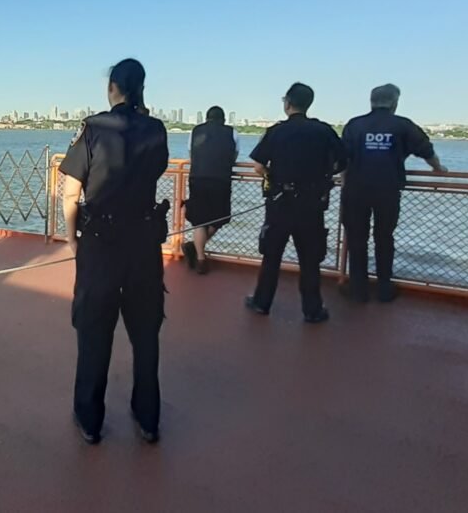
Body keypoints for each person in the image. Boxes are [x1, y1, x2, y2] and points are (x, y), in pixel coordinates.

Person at [59, 58, 170, 445]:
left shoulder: (92, 128)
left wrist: (73, 239)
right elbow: (154, 173)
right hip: (142, 246)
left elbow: (70, 193)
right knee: (145, 336)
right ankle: (148, 418)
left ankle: (89, 419)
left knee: (94, 332)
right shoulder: (157, 130)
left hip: (100, 247)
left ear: (112, 88)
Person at [245, 82, 347, 323]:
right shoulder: (324, 131)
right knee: (310, 260)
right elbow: (342, 162)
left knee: (271, 256)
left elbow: (258, 166)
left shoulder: (276, 131)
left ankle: (262, 302)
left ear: (287, 103)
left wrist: (274, 177)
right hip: (312, 204)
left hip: (280, 204)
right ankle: (312, 310)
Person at [340, 84, 447, 302]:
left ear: (371, 101)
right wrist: (438, 168)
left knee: (357, 239)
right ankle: (384, 288)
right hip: (387, 190)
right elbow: (426, 149)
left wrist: (344, 181)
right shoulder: (403, 125)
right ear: (395, 103)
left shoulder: (355, 125)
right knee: (384, 237)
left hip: (355, 189)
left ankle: (357, 290)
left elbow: (343, 159)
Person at [183, 106, 240, 274]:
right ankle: (198, 254)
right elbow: (234, 156)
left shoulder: (195, 131)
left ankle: (198, 255)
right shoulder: (232, 132)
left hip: (197, 178)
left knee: (199, 220)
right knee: (221, 217)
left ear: (206, 118)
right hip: (221, 180)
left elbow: (191, 154)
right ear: (223, 120)